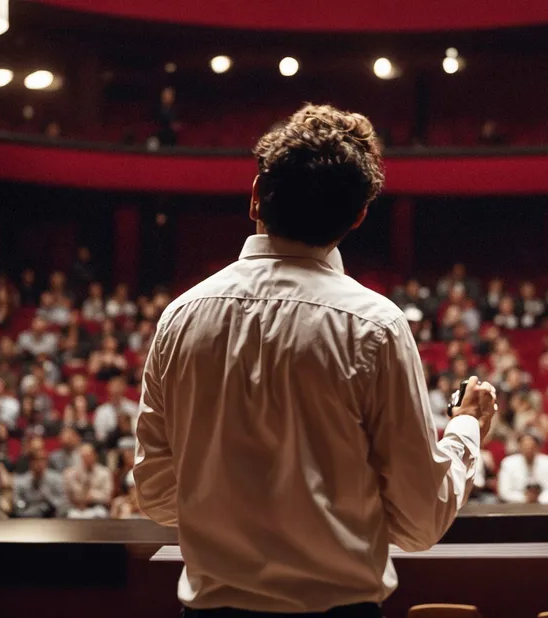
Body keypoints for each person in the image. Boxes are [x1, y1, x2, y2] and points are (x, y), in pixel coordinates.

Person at [133, 104, 496, 617]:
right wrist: (465, 429)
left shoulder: (180, 317)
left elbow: (156, 494)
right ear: (358, 216)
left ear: (256, 194)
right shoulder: (376, 326)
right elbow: (420, 521)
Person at [497, 432, 548, 504]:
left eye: (531, 447)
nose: (528, 450)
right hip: (515, 505)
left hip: (543, 504)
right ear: (519, 447)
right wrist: (525, 498)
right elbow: (504, 492)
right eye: (525, 447)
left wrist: (537, 499)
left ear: (537, 447)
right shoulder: (508, 463)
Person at [63, 443, 113, 519]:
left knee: (101, 513)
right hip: (76, 508)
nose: (86, 459)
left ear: (95, 456)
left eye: (88, 456)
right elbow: (67, 496)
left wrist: (92, 495)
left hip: (97, 507)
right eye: (83, 456)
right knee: (70, 515)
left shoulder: (105, 473)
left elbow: (108, 496)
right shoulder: (70, 474)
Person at [12, 449, 66, 518]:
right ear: (30, 463)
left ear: (46, 462)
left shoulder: (56, 478)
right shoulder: (21, 481)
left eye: (42, 460)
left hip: (52, 515)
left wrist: (48, 496)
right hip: (27, 516)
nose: (39, 464)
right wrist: (25, 505)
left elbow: (62, 503)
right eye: (36, 460)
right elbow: (17, 503)